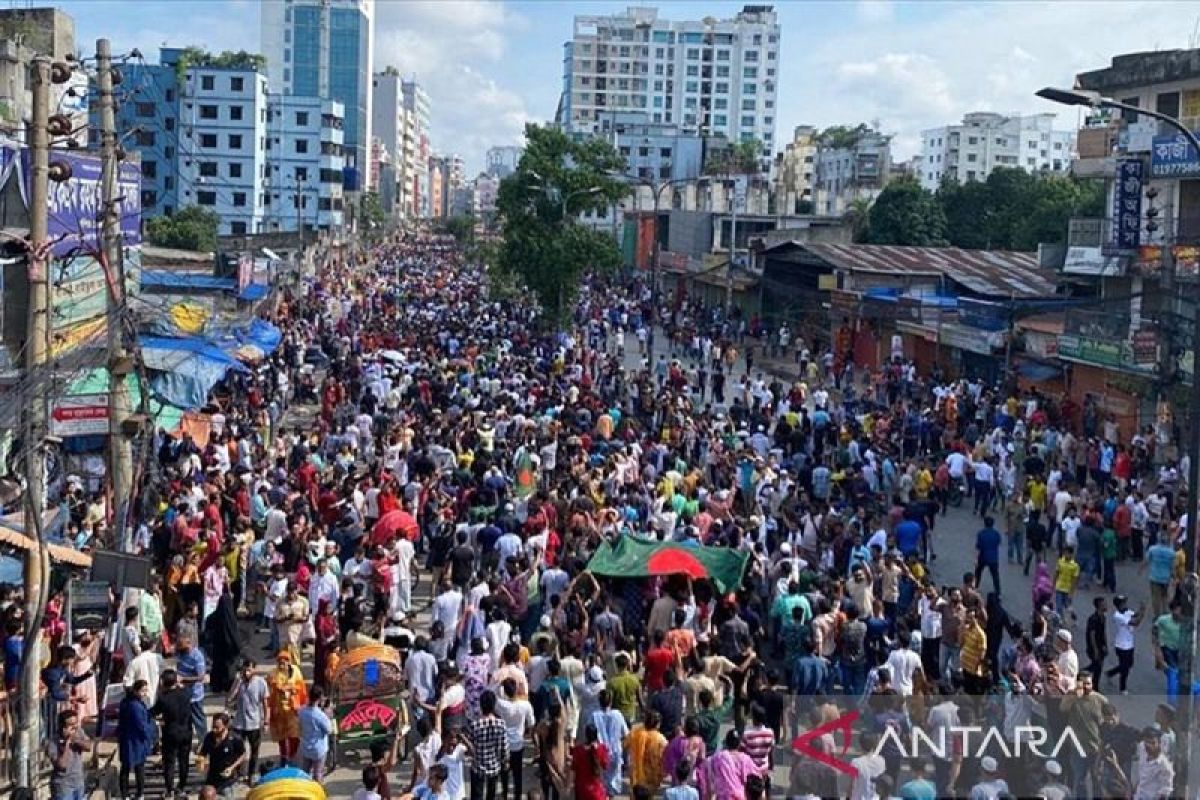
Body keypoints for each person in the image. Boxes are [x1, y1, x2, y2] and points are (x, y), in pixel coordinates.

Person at [152, 669, 195, 799]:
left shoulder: (164, 698)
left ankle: (169, 789)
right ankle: (181, 787)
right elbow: (186, 689)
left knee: (169, 762)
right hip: (186, 731)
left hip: (170, 733)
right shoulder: (186, 693)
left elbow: (154, 711)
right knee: (184, 761)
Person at [267, 650, 308, 765]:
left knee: (294, 736)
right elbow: (272, 685)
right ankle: (284, 757)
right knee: (282, 737)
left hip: (293, 710)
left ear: (289, 662)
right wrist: (280, 688)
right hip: (279, 711)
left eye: (284, 661)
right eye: (279, 661)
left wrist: (293, 689)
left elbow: (301, 687)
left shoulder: (296, 671)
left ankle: (293, 756)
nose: (282, 663)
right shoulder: (273, 674)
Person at [117, 679, 155, 800]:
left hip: (127, 740)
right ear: (136, 690)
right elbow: (142, 725)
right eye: (143, 691)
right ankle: (139, 793)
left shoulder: (127, 702)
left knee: (126, 768)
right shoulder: (135, 706)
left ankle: (125, 794)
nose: (145, 693)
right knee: (138, 768)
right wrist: (151, 735)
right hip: (135, 741)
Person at [697, 730, 760, 800]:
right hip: (740, 796)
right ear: (739, 744)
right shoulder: (745, 759)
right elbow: (757, 779)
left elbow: (705, 771)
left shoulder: (717, 758)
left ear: (726, 742)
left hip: (722, 797)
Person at [467, 689, 507, 800]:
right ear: (494, 705)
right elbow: (504, 747)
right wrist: (505, 760)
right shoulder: (501, 724)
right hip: (494, 766)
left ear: (481, 705)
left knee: (476, 795)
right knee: (491, 794)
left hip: (478, 766)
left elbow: (470, 747)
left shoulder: (475, 725)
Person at [197, 712, 247, 800]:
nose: (214, 730)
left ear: (226, 726)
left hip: (227, 779)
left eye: (217, 727)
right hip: (212, 777)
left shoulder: (234, 738)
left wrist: (232, 767)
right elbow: (203, 753)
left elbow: (242, 754)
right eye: (213, 727)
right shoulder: (209, 737)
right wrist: (200, 761)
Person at [45, 709, 89, 800]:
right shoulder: (53, 742)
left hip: (78, 781)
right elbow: (62, 765)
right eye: (71, 725)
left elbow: (88, 747)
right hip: (63, 785)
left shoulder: (79, 732)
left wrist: (75, 740)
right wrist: (67, 742)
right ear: (63, 727)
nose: (75, 727)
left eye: (76, 723)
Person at [204, 589, 241, 693]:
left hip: (216, 648)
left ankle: (217, 686)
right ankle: (227, 686)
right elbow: (235, 635)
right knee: (228, 669)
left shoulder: (212, 618)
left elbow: (207, 634)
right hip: (229, 649)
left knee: (217, 666)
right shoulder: (231, 619)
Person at [1106, 595, 1143, 695]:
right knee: (1125, 668)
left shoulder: (1127, 611)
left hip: (1129, 644)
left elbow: (1135, 615)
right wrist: (1142, 614)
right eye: (1123, 603)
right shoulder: (1118, 616)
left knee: (1128, 664)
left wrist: (1141, 609)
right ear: (1119, 605)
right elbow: (1135, 622)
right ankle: (1123, 687)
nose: (1125, 604)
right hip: (1121, 646)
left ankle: (1111, 673)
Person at [175, 632, 209, 741]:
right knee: (186, 720)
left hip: (194, 695)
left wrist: (183, 679)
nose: (180, 649)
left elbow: (200, 677)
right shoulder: (181, 652)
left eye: (182, 646)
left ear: (189, 644)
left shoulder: (197, 656)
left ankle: (203, 741)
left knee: (198, 719)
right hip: (183, 693)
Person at [298, 685, 334, 782]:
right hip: (318, 749)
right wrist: (328, 715)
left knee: (304, 774)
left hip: (305, 747)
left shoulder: (301, 710)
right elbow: (329, 730)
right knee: (318, 774)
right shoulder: (320, 715)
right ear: (320, 698)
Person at [627, 709, 669, 792]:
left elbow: (625, 744)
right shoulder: (660, 739)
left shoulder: (635, 733)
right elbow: (665, 757)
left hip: (636, 774)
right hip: (652, 775)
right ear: (657, 724)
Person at [572, 723, 610, 800]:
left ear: (586, 735)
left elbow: (573, 768)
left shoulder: (578, 750)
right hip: (597, 791)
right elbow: (605, 766)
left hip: (581, 790)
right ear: (596, 735)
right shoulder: (602, 749)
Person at [974, 515, 1002, 594]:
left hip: (983, 556)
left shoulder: (981, 533)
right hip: (993, 557)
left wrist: (976, 559)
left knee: (978, 573)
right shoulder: (996, 534)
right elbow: (998, 543)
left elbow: (978, 547)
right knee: (995, 575)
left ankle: (975, 587)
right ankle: (998, 591)